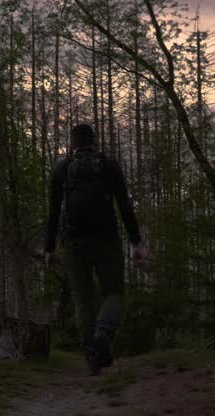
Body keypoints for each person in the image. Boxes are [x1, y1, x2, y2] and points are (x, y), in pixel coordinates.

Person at [44, 124, 146, 376]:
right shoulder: (109, 166)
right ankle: (103, 334)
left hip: (74, 243)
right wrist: (136, 242)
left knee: (83, 301)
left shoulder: (63, 169)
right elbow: (124, 206)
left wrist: (49, 248)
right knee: (114, 292)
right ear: (94, 141)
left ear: (72, 143)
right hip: (107, 240)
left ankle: (92, 357)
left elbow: (54, 213)